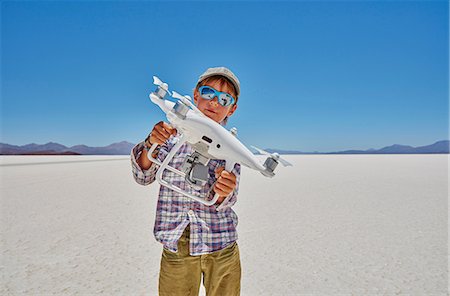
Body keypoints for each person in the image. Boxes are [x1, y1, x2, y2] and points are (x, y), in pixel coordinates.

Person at [130, 66, 242, 296]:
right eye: (208, 93)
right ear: (196, 95)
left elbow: (225, 199)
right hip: (176, 242)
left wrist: (224, 189)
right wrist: (152, 142)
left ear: (232, 108)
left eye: (224, 98)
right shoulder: (170, 136)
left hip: (221, 243)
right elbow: (143, 176)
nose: (214, 103)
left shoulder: (230, 149)